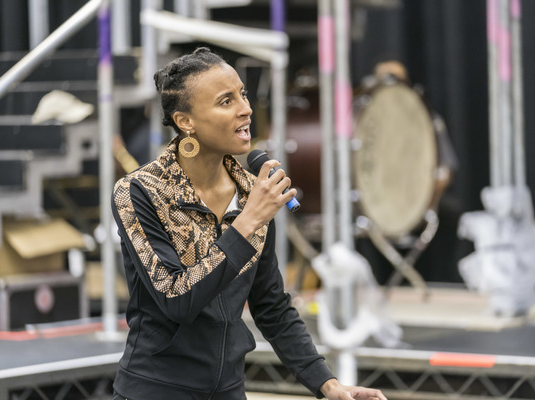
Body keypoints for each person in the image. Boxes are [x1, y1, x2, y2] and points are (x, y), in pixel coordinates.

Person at [111, 47, 388, 400]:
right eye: (226, 101)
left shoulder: (249, 190)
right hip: (155, 391)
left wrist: (328, 384)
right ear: (186, 121)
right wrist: (250, 219)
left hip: (228, 390)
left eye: (242, 94)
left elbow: (270, 304)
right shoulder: (140, 192)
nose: (246, 109)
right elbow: (177, 300)